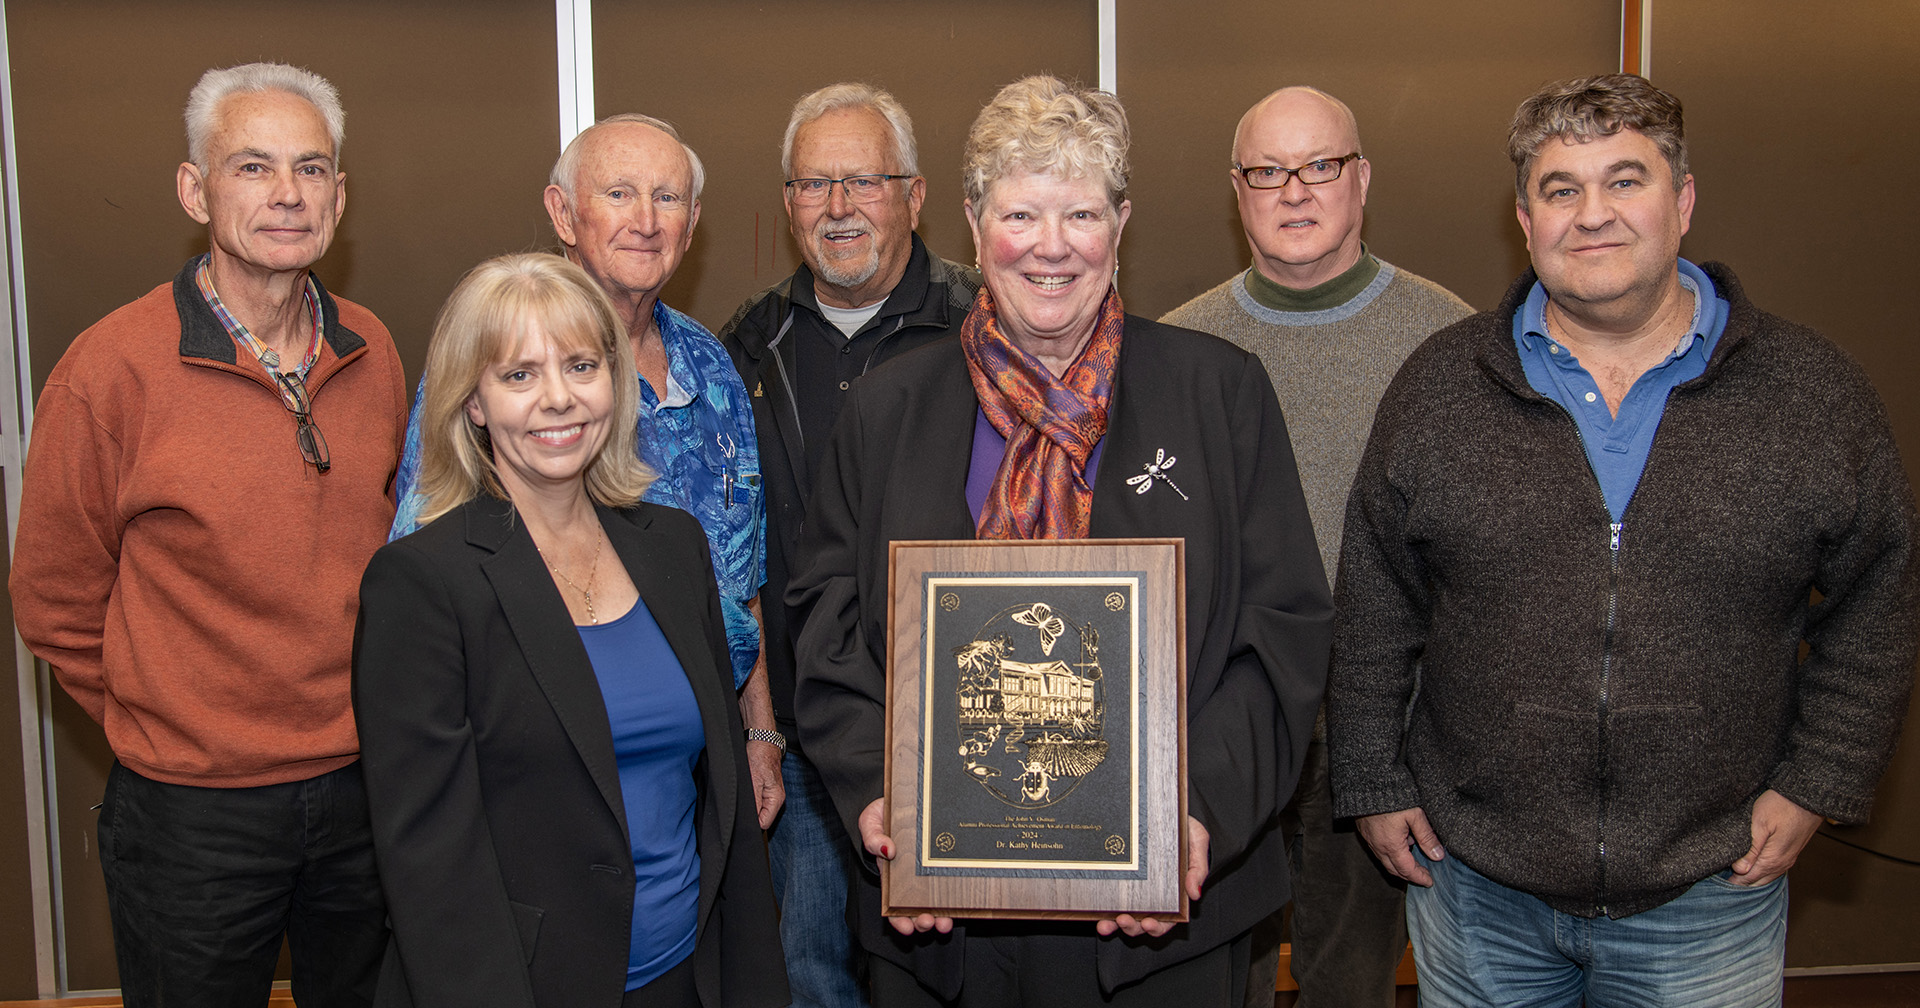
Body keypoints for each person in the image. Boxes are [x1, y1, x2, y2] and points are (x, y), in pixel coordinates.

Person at [1328, 73, 1919, 1007]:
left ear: (1682, 201)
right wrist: (1369, 775)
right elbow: (1375, 601)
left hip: (1708, 895)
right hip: (1477, 893)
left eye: (1625, 181)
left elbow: (1878, 607)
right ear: (1525, 221)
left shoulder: (1813, 395)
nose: (1592, 215)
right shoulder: (1440, 387)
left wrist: (1820, 781)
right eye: (1561, 189)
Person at [791, 75, 1332, 1007]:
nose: (1050, 246)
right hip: (942, 933)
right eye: (1021, 213)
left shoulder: (1218, 393)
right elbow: (824, 622)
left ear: (1121, 226)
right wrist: (884, 800)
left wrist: (1193, 816)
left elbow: (1280, 629)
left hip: (1164, 928)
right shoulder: (889, 407)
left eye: (1080, 213)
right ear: (972, 221)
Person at [9, 62, 403, 1006]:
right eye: (252, 167)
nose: (286, 194)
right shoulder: (111, 369)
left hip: (363, 789)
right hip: (191, 814)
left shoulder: (375, 349)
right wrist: (170, 717)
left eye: (311, 169)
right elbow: (54, 597)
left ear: (340, 196)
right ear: (195, 190)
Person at [353, 253, 788, 1008]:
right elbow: (430, 865)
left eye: (581, 365)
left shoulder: (673, 547)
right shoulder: (422, 585)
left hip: (690, 976)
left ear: (613, 383)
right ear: (474, 402)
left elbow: (721, 806)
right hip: (526, 986)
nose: (558, 398)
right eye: (518, 375)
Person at [1162, 86, 1471, 1008]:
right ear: (1237, 190)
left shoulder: (1446, 340)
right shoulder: (1181, 345)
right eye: (1268, 172)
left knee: (1350, 978)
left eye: (1319, 167)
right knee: (1219, 971)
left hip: (1378, 720)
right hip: (1222, 714)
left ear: (1361, 178)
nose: (1294, 192)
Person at [389, 114, 782, 826]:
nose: (645, 220)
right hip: (549, 771)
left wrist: (758, 733)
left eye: (667, 198)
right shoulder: (499, 366)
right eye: (619, 193)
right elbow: (423, 572)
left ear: (693, 223)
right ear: (561, 213)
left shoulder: (714, 366)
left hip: (697, 762)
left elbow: (743, 578)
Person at [719, 82, 980, 1008]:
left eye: (864, 181)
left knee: (942, 977)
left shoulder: (984, 329)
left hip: (960, 736)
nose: (838, 208)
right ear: (787, 202)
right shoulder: (745, 347)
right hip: (795, 739)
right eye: (813, 184)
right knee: (806, 978)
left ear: (914, 196)